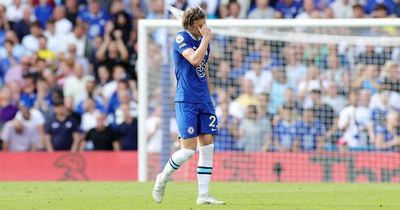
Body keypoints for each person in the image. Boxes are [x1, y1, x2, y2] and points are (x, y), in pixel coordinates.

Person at [152, 7, 225, 205]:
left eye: (205, 23)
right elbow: (194, 60)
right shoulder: (180, 39)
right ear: (192, 25)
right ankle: (162, 178)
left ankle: (203, 196)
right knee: (188, 150)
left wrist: (209, 94)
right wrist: (206, 39)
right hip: (186, 99)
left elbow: (204, 67)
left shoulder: (201, 37)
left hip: (204, 99)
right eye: (200, 25)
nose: (204, 27)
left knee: (208, 145)